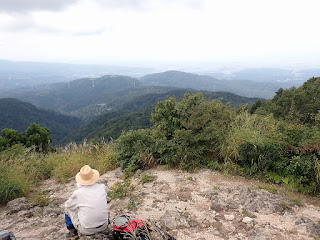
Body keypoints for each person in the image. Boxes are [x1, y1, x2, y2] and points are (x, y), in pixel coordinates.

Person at [64, 165, 109, 239]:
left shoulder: (78, 193)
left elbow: (68, 205)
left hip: (87, 230)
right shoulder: (102, 187)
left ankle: (73, 233)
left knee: (67, 209)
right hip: (104, 225)